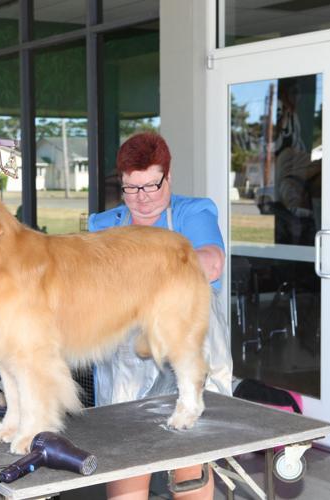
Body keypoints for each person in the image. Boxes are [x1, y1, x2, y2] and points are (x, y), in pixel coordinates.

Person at [88, 132, 231, 500]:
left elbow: (212, 264)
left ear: (168, 176)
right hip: (124, 366)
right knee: (128, 461)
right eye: (131, 189)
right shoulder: (103, 225)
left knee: (189, 464)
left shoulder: (192, 212)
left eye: (152, 185)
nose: (143, 198)